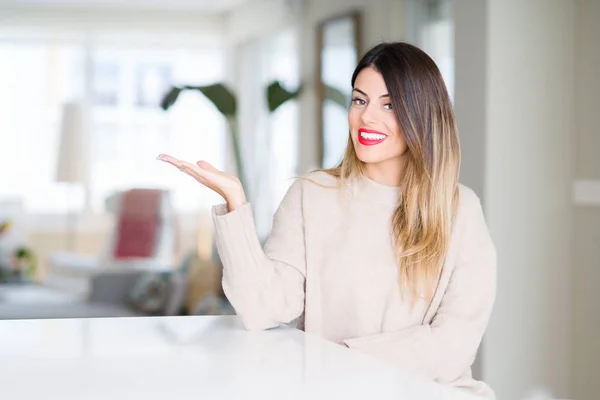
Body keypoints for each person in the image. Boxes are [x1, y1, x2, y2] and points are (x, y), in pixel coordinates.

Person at [157, 41, 497, 398]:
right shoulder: (312, 194)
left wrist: (339, 361)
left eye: (390, 104)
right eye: (359, 100)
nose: (367, 117)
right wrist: (235, 205)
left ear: (422, 114)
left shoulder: (461, 209)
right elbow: (261, 308)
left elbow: (452, 345)